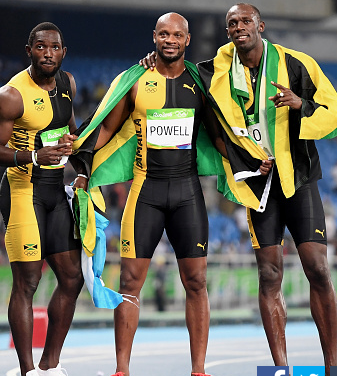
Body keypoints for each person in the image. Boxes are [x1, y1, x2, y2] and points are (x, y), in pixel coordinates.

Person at [143, 3, 337, 375]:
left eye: (245, 21)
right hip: (256, 185)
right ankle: (281, 369)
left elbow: (332, 108)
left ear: (260, 25)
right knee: (269, 273)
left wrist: (302, 104)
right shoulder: (215, 68)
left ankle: (332, 365)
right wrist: (155, 60)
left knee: (316, 267)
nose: (238, 27)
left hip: (296, 178)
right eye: (232, 22)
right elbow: (179, 71)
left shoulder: (297, 64)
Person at [74, 12, 243, 376]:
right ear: (154, 37)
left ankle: (199, 369)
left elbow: (218, 133)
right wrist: (84, 166)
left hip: (188, 194)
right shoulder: (136, 80)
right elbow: (106, 126)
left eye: (177, 35)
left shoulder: (200, 82)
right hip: (145, 193)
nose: (170, 40)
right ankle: (122, 370)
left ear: (187, 39)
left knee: (196, 281)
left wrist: (247, 160)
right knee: (130, 281)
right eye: (163, 33)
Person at [0, 22, 83, 376]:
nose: (48, 53)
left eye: (54, 47)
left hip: (56, 192)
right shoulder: (11, 94)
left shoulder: (68, 83)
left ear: (63, 51)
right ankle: (26, 370)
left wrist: (82, 167)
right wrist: (32, 156)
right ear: (29, 51)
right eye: (40, 47)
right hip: (23, 189)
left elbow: (70, 131)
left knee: (72, 278)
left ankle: (49, 366)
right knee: (27, 281)